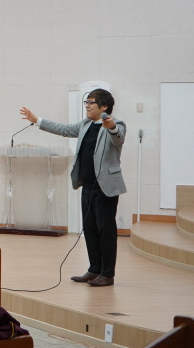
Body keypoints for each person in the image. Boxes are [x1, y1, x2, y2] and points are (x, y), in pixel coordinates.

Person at [20, 88, 126, 287]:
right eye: (86, 102)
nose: (87, 106)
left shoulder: (116, 124)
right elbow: (64, 129)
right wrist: (37, 120)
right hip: (87, 185)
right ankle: (94, 270)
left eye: (91, 102)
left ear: (104, 106)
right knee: (90, 229)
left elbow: (118, 138)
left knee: (106, 231)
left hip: (105, 187)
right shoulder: (85, 124)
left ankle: (107, 274)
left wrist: (111, 127)